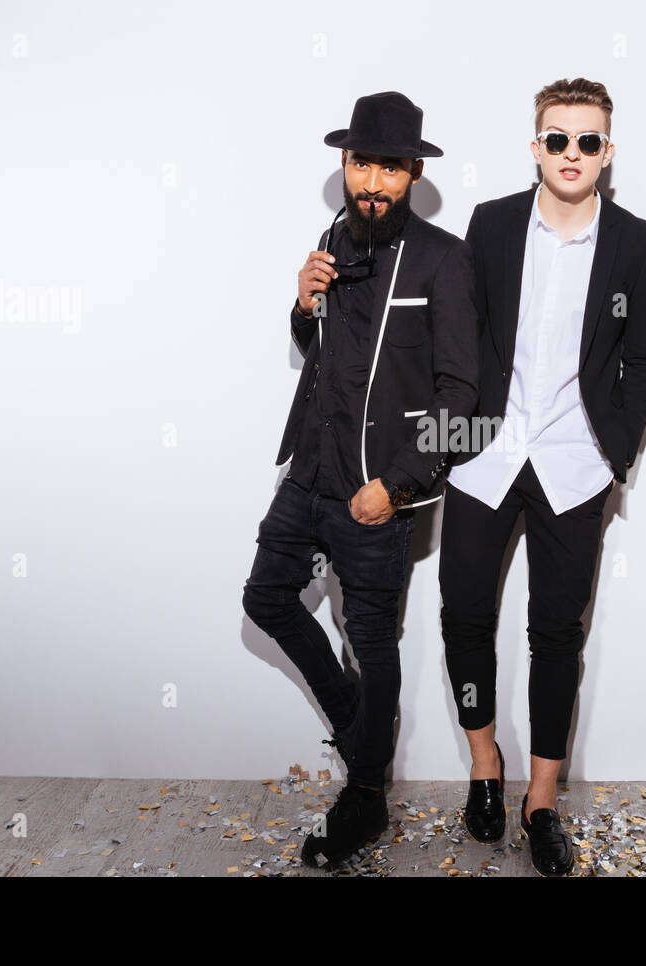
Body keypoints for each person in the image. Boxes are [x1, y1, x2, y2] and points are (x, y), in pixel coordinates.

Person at [242, 91, 478, 868]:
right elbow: (324, 354)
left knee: (371, 642)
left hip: (375, 494)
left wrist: (400, 487)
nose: (372, 181)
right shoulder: (331, 237)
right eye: (360, 164)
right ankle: (361, 736)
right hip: (307, 473)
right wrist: (303, 305)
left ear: (413, 172)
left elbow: (462, 398)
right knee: (267, 597)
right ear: (344, 166)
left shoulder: (444, 259)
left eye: (389, 167)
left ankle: (366, 797)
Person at [439, 77, 646, 876]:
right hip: (484, 454)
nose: (573, 153)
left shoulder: (637, 244)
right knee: (462, 612)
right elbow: (460, 337)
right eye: (559, 138)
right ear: (535, 145)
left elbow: (642, 361)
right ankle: (483, 763)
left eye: (590, 141)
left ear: (609, 152)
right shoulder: (492, 225)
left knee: (555, 635)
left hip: (575, 465)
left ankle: (541, 800)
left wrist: (616, 456)